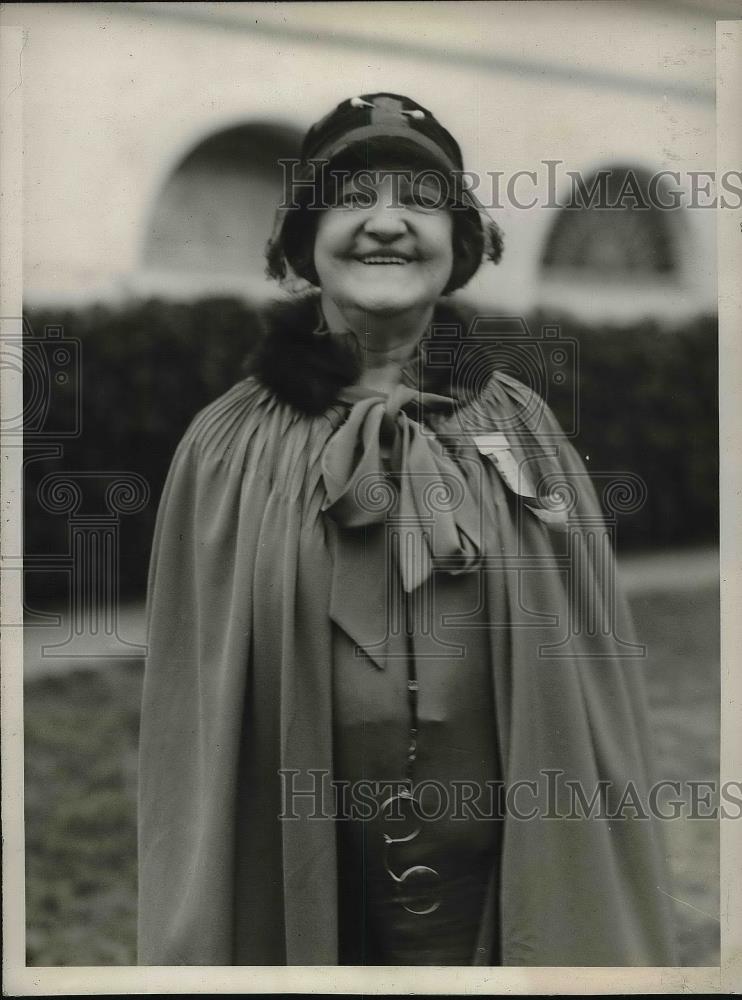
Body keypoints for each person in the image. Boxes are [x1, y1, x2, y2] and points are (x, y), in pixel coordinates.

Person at [138, 93, 677, 966]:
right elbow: (195, 725)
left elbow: (586, 686)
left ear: (460, 241)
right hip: (300, 887)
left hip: (498, 895)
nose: (385, 223)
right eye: (352, 196)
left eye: (419, 200)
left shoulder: (522, 434)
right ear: (303, 236)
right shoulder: (226, 448)